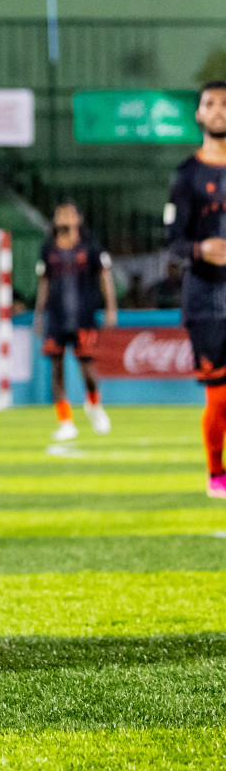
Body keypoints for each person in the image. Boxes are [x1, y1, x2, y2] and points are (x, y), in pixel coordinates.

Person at [166, 80, 226, 497]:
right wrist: (201, 249)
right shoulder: (186, 176)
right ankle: (216, 475)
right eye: (211, 103)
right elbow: (172, 242)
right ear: (198, 114)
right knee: (219, 397)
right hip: (205, 299)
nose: (219, 110)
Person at [34, 201, 116, 442]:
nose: (64, 218)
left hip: (83, 316)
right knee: (56, 371)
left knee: (87, 369)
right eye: (60, 214)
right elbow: (44, 283)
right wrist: (39, 314)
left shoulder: (90, 246)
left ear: (78, 218)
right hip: (56, 319)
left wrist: (111, 307)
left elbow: (104, 276)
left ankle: (94, 404)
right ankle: (65, 421)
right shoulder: (48, 249)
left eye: (69, 214)